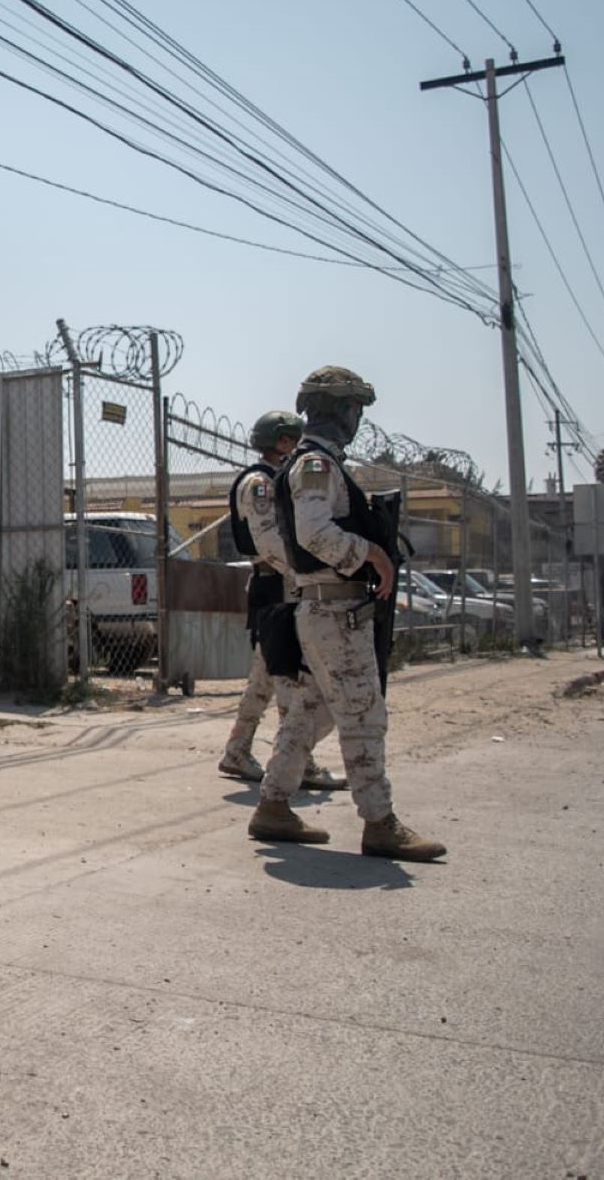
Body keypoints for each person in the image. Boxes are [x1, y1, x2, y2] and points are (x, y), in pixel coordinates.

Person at [247, 367, 446, 862]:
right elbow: (314, 533)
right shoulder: (315, 464)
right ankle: (380, 822)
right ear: (343, 410)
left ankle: (273, 805)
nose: (357, 418)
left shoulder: (314, 461)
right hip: (335, 611)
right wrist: (371, 554)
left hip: (327, 608)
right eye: (355, 409)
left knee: (310, 713)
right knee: (363, 714)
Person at [217, 409, 344, 791]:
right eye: (295, 440)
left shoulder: (275, 479)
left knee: (262, 683)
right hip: (276, 589)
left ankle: (237, 751)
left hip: (280, 588)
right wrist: (305, 574)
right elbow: (269, 542)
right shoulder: (260, 483)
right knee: (292, 679)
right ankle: (298, 763)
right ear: (284, 441)